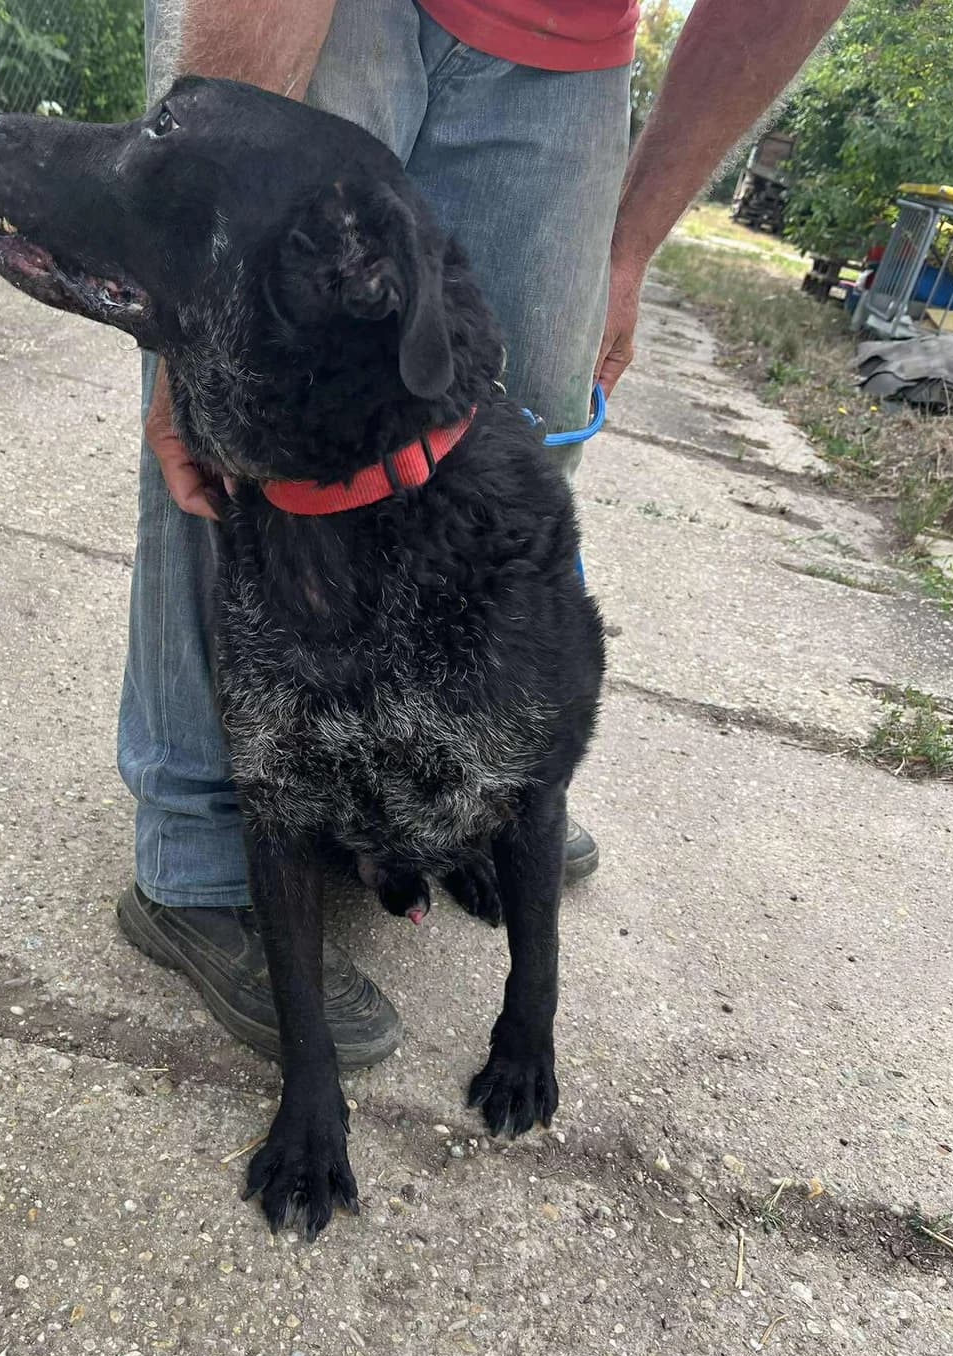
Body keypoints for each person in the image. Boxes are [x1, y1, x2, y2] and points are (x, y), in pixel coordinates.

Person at [116, 0, 849, 1066]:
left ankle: (450, 783)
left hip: (567, 42)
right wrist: (195, 310)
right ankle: (196, 857)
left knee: (514, 424)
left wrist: (629, 241)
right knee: (234, 436)